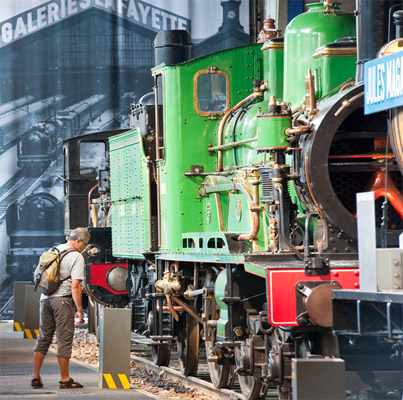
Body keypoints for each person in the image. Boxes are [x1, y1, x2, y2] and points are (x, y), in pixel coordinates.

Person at [31, 227, 90, 389]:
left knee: (43, 337)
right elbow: (76, 286)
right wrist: (79, 309)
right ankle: (65, 379)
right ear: (78, 241)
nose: (84, 248)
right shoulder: (76, 256)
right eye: (85, 244)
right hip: (62, 301)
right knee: (64, 339)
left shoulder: (53, 249)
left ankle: (35, 376)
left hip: (45, 298)